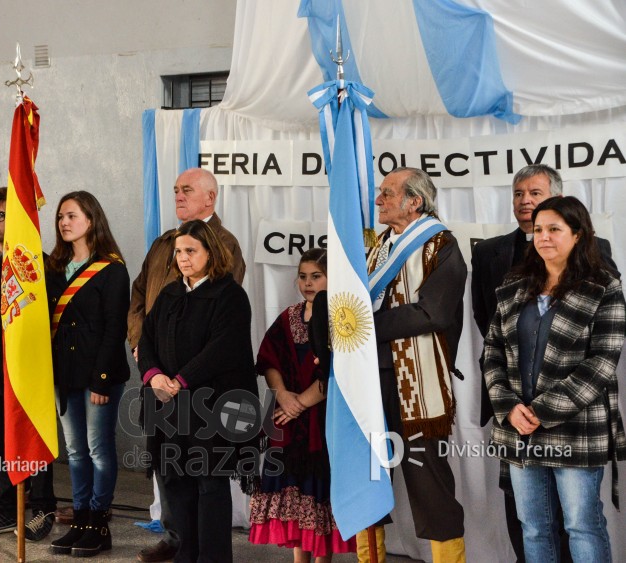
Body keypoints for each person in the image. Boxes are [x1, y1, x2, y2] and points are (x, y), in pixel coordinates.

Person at [470, 164, 617, 561]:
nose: (544, 237)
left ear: (577, 235)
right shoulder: (513, 287)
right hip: (518, 426)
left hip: (575, 425)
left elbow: (602, 363)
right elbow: (494, 351)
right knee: (534, 529)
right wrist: (508, 407)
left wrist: (539, 410)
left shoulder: (604, 288)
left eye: (554, 229)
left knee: (581, 525)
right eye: (539, 230)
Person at [129, 167, 246, 563]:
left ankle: (211, 558)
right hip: (168, 405)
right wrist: (153, 375)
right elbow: (147, 339)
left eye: (190, 251)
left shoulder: (227, 295)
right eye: (179, 252)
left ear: (210, 253)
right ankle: (185, 555)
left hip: (210, 409)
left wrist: (178, 379)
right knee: (175, 484)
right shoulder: (170, 295)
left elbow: (222, 349)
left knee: (209, 486)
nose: (182, 258)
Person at [359, 168, 467, 562]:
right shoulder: (377, 246)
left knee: (429, 485)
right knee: (368, 478)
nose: (378, 201)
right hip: (369, 380)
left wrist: (363, 327)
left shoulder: (440, 244)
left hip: (417, 383)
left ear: (414, 201)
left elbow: (432, 312)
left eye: (387, 193)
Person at [249, 249, 356, 561]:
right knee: (295, 492)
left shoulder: (341, 320)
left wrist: (300, 403)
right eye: (303, 276)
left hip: (324, 421)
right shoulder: (289, 316)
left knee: (318, 490)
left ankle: (322, 558)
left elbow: (338, 373)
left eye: (317, 276)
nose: (308, 283)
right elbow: (269, 358)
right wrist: (282, 394)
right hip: (289, 419)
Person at [0, 187, 57, 539]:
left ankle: (43, 507)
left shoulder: (37, 262)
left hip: (27, 369)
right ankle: (6, 508)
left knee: (35, 440)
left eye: (0, 215)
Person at [46, 191, 130, 557]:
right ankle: (79, 520)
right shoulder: (51, 268)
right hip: (64, 374)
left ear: (91, 219)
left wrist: (102, 379)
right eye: (61, 216)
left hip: (99, 374)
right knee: (75, 452)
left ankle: (98, 523)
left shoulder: (111, 268)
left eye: (72, 215)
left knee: (98, 450)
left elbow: (115, 329)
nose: (64, 222)